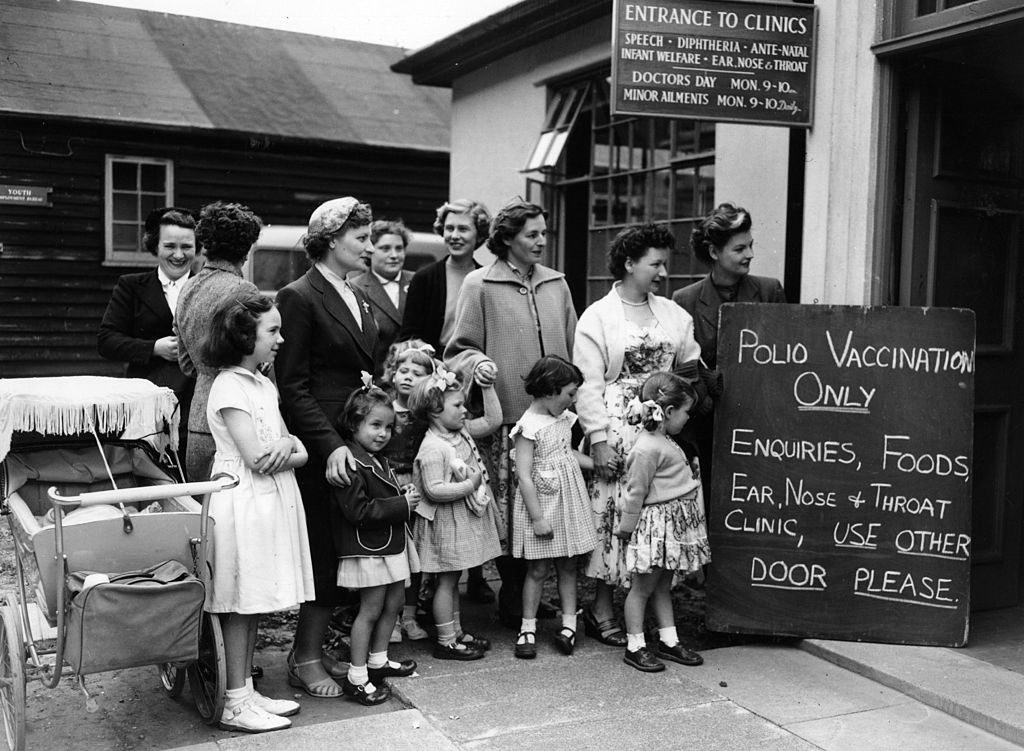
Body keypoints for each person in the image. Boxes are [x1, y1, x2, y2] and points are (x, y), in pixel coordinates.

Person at [445, 199, 577, 627]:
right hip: (508, 424)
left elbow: (574, 350)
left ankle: (529, 601)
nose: (541, 241)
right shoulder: (478, 284)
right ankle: (515, 600)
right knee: (513, 511)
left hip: (555, 423)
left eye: (543, 232)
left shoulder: (557, 284)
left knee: (549, 507)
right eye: (531, 234)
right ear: (506, 239)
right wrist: (476, 363)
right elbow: (457, 350)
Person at [573, 223, 700, 648]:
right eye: (656, 263)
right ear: (629, 263)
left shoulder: (673, 314)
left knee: (654, 515)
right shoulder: (598, 315)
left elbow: (688, 368)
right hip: (616, 425)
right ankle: (603, 606)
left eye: (666, 263)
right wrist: (599, 439)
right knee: (615, 512)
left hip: (661, 430)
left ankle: (648, 607)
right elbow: (588, 383)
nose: (664, 272)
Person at [276, 197, 376, 699]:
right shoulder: (299, 295)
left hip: (352, 443)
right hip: (324, 449)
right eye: (360, 237)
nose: (369, 246)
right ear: (331, 239)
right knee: (322, 553)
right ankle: (305, 658)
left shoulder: (354, 294)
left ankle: (318, 648)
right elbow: (292, 386)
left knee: (341, 552)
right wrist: (331, 446)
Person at [201, 292, 315, 733]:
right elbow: (254, 456)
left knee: (254, 602)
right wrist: (286, 446)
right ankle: (233, 701)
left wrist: (286, 445)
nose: (281, 339)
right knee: (240, 602)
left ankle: (245, 690)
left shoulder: (263, 384)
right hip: (243, 501)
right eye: (273, 331)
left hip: (269, 498)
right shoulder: (228, 385)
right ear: (244, 338)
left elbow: (296, 452)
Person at [671, 202, 786, 494]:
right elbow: (682, 366)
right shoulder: (686, 300)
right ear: (714, 252)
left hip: (762, 423)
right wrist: (703, 386)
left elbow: (787, 356)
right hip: (709, 428)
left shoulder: (770, 291)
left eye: (750, 246)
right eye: (739, 249)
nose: (750, 254)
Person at [329, 377, 420, 706]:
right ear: (354, 424)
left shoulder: (376, 458)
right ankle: (357, 676)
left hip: (388, 545)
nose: (383, 433)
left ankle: (378, 661)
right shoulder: (352, 461)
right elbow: (358, 510)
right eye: (375, 425)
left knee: (393, 604)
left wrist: (402, 496)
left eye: (388, 427)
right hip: (369, 549)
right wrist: (402, 505)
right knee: (370, 609)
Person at [615, 372, 709, 672]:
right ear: (668, 412)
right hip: (657, 527)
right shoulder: (647, 447)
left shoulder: (664, 439)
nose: (687, 419)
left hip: (672, 526)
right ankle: (635, 645)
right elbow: (635, 491)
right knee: (642, 588)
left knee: (662, 586)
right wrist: (626, 528)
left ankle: (669, 640)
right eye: (685, 413)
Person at [409, 365, 502, 660]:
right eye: (458, 405)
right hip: (444, 522)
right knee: (446, 581)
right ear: (436, 410)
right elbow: (434, 489)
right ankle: (446, 640)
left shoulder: (456, 433)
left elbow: (493, 421)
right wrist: (470, 484)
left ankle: (457, 631)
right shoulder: (433, 448)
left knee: (453, 579)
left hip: (456, 521)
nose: (464, 411)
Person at [510, 356, 597, 659]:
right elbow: (523, 475)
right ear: (549, 391)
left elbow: (568, 453)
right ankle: (528, 627)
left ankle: (569, 624)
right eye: (570, 394)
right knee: (537, 569)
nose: (573, 401)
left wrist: (597, 465)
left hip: (567, 502)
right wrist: (536, 518)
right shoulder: (528, 427)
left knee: (568, 564)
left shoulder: (562, 418)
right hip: (543, 506)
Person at [97, 206, 198, 466]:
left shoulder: (205, 287)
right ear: (155, 246)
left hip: (195, 404)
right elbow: (107, 341)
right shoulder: (132, 286)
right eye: (170, 246)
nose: (179, 255)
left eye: (187, 246)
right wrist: (154, 347)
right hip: (147, 401)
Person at [176, 202, 262, 483]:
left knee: (205, 516)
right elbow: (257, 362)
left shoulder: (188, 287)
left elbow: (187, 363)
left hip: (198, 421)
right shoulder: (243, 290)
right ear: (246, 248)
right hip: (236, 424)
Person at [379, 339, 437, 642]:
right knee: (394, 552)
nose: (408, 377)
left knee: (414, 556)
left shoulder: (425, 414)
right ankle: (391, 618)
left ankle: (410, 615)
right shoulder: (383, 407)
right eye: (403, 370)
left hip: (417, 486)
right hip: (389, 486)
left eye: (416, 372)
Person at [398, 199, 489, 353]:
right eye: (449, 228)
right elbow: (408, 336)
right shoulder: (424, 278)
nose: (454, 236)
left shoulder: (486, 280)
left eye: (463, 229)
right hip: (433, 367)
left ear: (479, 235)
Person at [350, 220, 415, 373]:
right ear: (370, 251)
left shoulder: (419, 282)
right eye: (385, 249)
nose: (394, 255)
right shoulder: (355, 288)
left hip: (416, 380)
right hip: (376, 380)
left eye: (399, 248)